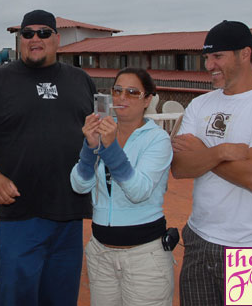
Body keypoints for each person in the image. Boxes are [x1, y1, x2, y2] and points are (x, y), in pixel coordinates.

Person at [0, 9, 96, 306]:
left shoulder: (81, 80)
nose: (36, 39)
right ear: (20, 39)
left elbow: (95, 136)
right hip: (20, 213)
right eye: (28, 34)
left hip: (69, 213)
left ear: (57, 39)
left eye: (44, 33)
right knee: (16, 298)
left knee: (60, 298)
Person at [171, 20, 252, 306]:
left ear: (245, 53)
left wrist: (201, 153)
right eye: (206, 58)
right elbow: (179, 168)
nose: (208, 65)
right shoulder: (200, 105)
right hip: (199, 241)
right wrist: (221, 151)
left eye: (217, 56)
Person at [70, 67, 174, 306]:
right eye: (117, 91)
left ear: (148, 99)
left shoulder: (157, 139)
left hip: (144, 256)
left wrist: (110, 148)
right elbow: (79, 185)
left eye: (132, 92)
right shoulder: (101, 131)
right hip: (101, 254)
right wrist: (90, 147)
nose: (122, 98)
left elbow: (138, 191)